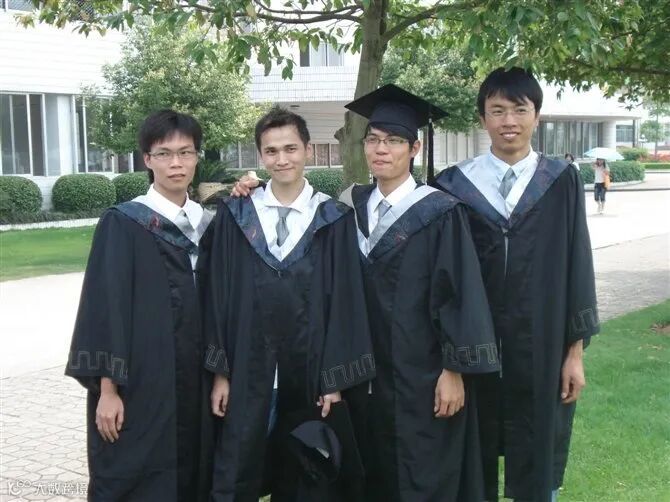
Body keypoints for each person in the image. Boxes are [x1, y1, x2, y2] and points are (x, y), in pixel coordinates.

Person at [435, 67, 599, 502]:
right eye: (497, 110)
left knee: (538, 454)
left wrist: (575, 354)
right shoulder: (452, 186)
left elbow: (578, 264)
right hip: (473, 346)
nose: (509, 121)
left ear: (537, 116)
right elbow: (438, 279)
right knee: (472, 457)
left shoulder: (561, 180)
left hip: (542, 345)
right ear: (483, 118)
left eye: (520, 110)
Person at [201, 106, 374, 501]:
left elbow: (345, 302)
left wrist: (334, 381)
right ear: (260, 156)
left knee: (305, 480)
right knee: (234, 475)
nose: (282, 159)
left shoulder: (333, 218)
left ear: (308, 151)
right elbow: (218, 295)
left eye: (290, 149)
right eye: (271, 151)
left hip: (309, 376)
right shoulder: (236, 214)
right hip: (246, 371)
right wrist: (221, 373)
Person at [342, 84, 499, 501]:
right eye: (373, 139)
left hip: (423, 375)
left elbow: (459, 294)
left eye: (394, 141)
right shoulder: (349, 208)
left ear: (415, 148)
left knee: (423, 472)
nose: (381, 149)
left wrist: (454, 370)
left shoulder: (440, 212)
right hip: (364, 375)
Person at [65, 110, 215, 501]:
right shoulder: (123, 223)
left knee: (196, 471)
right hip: (142, 382)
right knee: (136, 473)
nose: (176, 163)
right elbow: (105, 306)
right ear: (147, 159)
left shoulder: (209, 225)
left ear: (197, 157)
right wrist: (108, 390)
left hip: (198, 378)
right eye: (164, 153)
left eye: (185, 152)